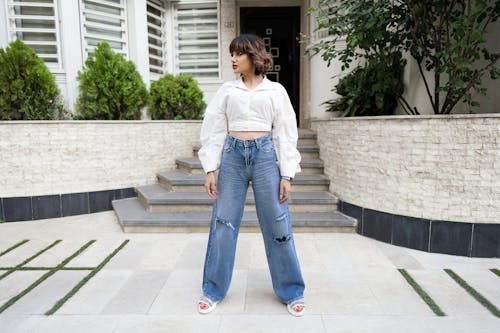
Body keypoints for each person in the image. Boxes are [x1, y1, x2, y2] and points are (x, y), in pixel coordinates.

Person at [197, 34, 305, 317]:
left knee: (277, 222)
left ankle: (292, 291)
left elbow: (284, 134)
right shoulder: (227, 91)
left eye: (238, 54)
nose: (232, 59)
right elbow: (215, 128)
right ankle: (212, 289)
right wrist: (210, 168)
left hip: (265, 157)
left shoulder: (276, 91)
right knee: (223, 223)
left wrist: (287, 174)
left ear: (254, 57)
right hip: (232, 157)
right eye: (231, 54)